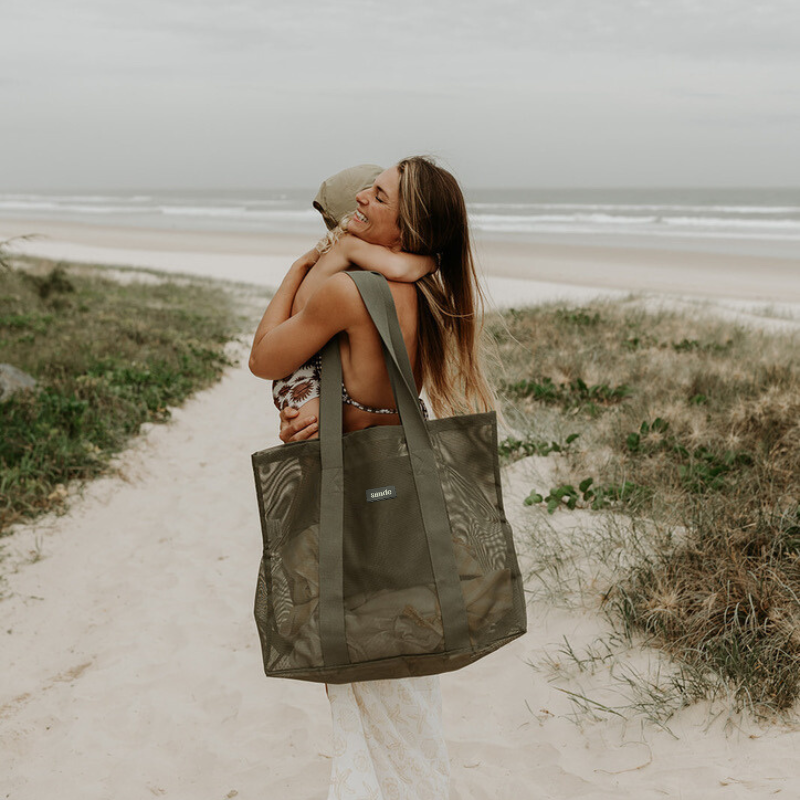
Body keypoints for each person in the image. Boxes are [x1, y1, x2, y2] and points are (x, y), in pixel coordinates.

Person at [249, 156, 504, 800]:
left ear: (404, 228)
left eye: (379, 195)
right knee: (407, 697)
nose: (362, 196)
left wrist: (303, 264)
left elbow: (263, 357)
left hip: (354, 517)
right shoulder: (427, 297)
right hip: (405, 511)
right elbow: (390, 395)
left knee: (363, 696)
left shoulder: (344, 293)